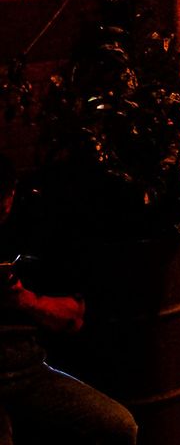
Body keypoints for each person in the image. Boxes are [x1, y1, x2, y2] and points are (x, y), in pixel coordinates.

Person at [0, 155, 137, 445]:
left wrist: (22, 299)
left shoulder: (30, 234)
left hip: (29, 372)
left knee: (119, 426)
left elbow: (73, 317)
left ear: (12, 193)